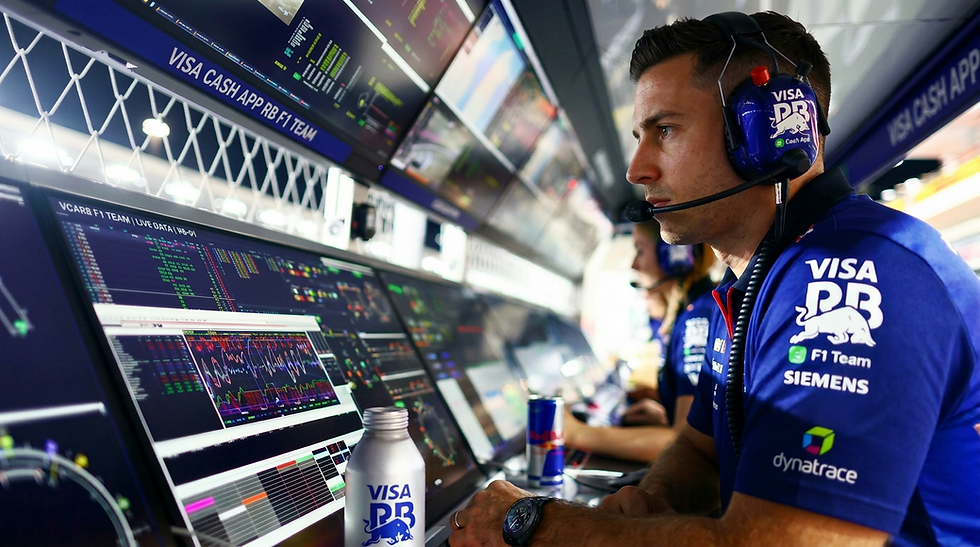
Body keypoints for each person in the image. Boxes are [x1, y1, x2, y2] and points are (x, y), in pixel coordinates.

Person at [449, 11, 980, 546]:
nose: (637, 169)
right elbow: (700, 449)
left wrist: (535, 523)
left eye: (665, 130)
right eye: (640, 135)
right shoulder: (748, 287)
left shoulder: (857, 273)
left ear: (768, 133)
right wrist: (653, 501)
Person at [563, 221, 716, 462]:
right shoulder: (689, 311)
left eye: (640, 250)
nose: (634, 263)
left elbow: (686, 445)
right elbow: (699, 425)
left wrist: (576, 433)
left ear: (674, 255)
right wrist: (667, 415)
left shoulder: (697, 318)